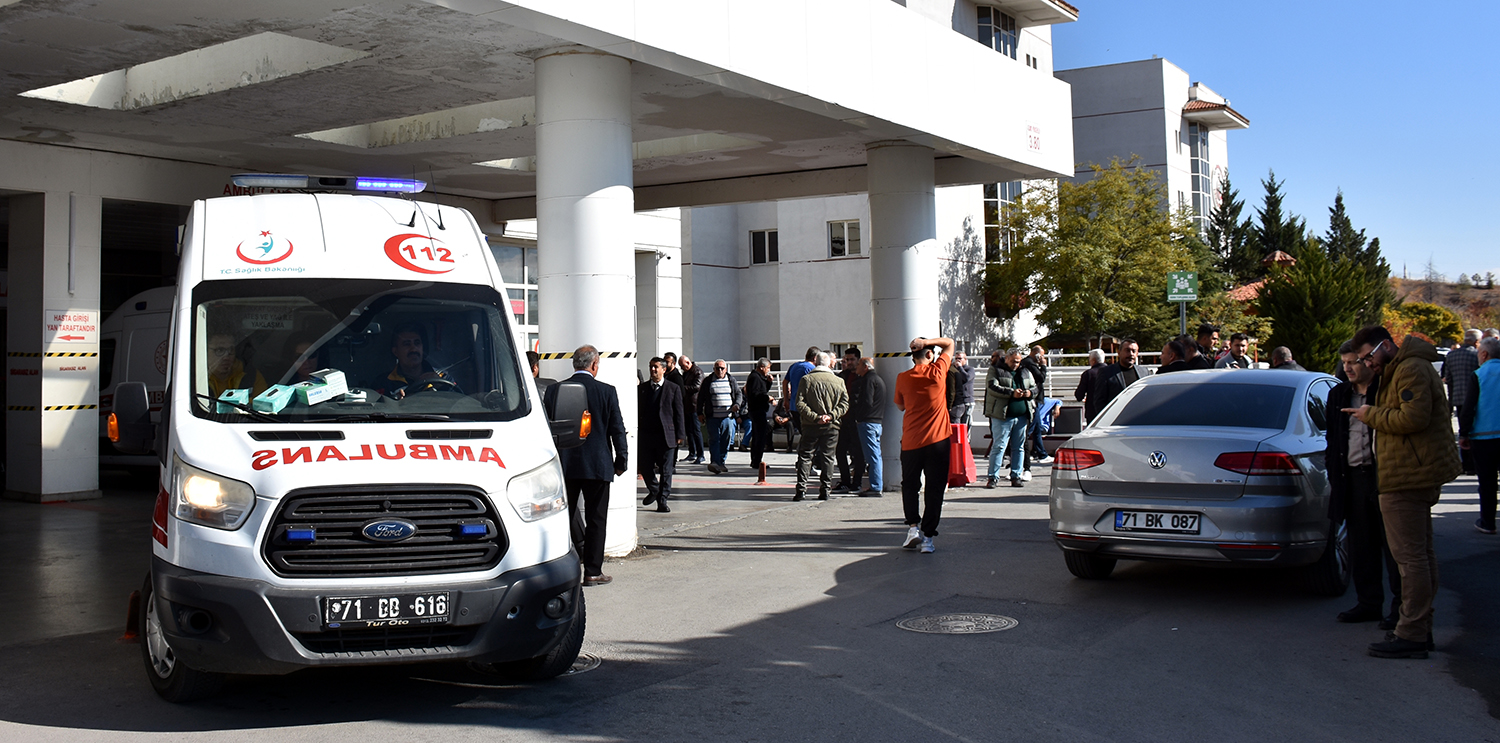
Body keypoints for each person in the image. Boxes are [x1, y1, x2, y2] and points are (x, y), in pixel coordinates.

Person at [1344, 325, 1463, 659]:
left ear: (1385, 346)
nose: (1367, 364)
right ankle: (1419, 628)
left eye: (1368, 357)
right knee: (1420, 557)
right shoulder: (1407, 366)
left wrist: (1371, 415)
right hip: (1410, 473)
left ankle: (1411, 632)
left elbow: (1413, 417)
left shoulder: (1410, 368)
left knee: (1410, 560)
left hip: (1406, 477)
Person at [1327, 340, 1401, 628]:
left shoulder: (1383, 391)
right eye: (1344, 362)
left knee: (1393, 547)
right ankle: (1369, 603)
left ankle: (1399, 611)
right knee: (1361, 544)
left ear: (1367, 362)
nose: (1348, 367)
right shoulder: (1339, 393)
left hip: (1383, 475)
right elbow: (1333, 439)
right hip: (1352, 476)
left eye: (1353, 362)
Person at [543, 345, 627, 587]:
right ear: (594, 365)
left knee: (562, 517)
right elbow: (616, 429)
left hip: (565, 466)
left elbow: (548, 429)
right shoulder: (606, 391)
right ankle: (592, 571)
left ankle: (560, 567)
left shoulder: (554, 390)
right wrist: (621, 461)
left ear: (574, 365)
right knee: (596, 519)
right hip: (598, 465)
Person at [893, 336, 955, 554]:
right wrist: (927, 341)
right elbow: (949, 343)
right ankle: (928, 538)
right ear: (929, 354)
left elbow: (900, 406)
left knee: (910, 486)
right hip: (938, 441)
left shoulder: (902, 378)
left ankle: (912, 528)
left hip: (911, 441)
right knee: (935, 489)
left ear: (912, 358)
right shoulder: (938, 372)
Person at [792, 351, 849, 501]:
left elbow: (800, 403)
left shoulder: (807, 379)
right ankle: (825, 490)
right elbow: (844, 404)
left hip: (811, 425)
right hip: (832, 425)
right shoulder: (839, 381)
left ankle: (801, 490)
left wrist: (815, 417)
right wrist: (831, 415)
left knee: (805, 456)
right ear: (829, 363)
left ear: (815, 362)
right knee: (828, 457)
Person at [1458, 336, 1500, 534]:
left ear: (1484, 354)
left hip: (1484, 436)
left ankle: (1488, 521)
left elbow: (1469, 407)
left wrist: (1463, 433)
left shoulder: (1479, 374)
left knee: (1487, 481)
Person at [638, 357, 685, 514]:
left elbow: (679, 412)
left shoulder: (673, 388)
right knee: (645, 466)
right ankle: (654, 489)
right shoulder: (643, 389)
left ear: (664, 369)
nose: (653, 370)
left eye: (656, 367)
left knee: (666, 470)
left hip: (666, 435)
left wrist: (680, 434)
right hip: (647, 435)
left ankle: (662, 500)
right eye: (651, 367)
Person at [984, 347, 1036, 488]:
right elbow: (992, 387)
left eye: (1018, 361)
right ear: (1006, 358)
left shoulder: (1025, 371)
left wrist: (1029, 393)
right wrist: (1011, 393)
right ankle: (993, 477)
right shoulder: (995, 370)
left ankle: (1016, 475)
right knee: (999, 446)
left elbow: (1035, 387)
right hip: (1002, 416)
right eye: (1013, 361)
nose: (1016, 364)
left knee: (1019, 447)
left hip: (1021, 415)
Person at [377, 324, 456, 399]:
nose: (414, 349)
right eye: (407, 344)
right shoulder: (384, 383)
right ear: (395, 352)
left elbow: (461, 403)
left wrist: (441, 387)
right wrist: (394, 403)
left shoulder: (443, 378)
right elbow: (375, 409)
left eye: (417, 343)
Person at [1444, 330, 1482, 476]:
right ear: (1476, 341)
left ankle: (1466, 464)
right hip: (1476, 399)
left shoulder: (1451, 355)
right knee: (1476, 431)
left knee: (1463, 431)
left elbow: (1448, 377)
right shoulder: (1476, 355)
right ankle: (1475, 462)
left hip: (1458, 398)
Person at [697, 359, 744, 473]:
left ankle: (722, 462)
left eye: (722, 368)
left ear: (726, 369)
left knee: (726, 440)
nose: (719, 370)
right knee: (714, 439)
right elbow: (701, 398)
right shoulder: (708, 381)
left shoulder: (731, 380)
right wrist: (699, 413)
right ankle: (715, 462)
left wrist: (737, 404)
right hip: (712, 416)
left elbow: (738, 394)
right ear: (713, 369)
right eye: (717, 368)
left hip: (728, 417)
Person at [851, 357, 886, 496]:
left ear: (865, 367)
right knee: (874, 454)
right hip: (876, 422)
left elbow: (867, 401)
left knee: (872, 456)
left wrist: (858, 416)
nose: (856, 367)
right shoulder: (877, 379)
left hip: (868, 422)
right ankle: (876, 484)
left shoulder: (869, 380)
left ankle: (876, 486)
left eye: (859, 364)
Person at [834, 347, 866, 492]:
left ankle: (857, 482)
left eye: (852, 359)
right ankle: (845, 480)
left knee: (858, 453)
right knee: (840, 451)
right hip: (843, 420)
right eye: (847, 360)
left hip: (856, 419)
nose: (849, 362)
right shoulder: (842, 376)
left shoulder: (863, 377)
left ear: (858, 360)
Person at [1092, 339, 1145, 414]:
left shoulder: (1144, 372)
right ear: (1119, 353)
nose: (1131, 354)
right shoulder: (1106, 372)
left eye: (1134, 351)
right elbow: (1099, 401)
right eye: (1127, 350)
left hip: (1139, 418)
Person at [207, 332, 268, 398]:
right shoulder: (196, 378)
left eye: (231, 350)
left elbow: (262, 406)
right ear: (205, 351)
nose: (226, 357)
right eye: (219, 350)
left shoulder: (252, 376)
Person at [782, 346, 820, 441]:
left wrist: (786, 400)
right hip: (806, 407)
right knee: (810, 436)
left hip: (794, 406)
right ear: (815, 358)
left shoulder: (794, 366)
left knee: (803, 434)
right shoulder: (812, 368)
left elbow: (785, 382)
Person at [744, 358, 775, 472]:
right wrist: (768, 398)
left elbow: (762, 390)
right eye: (768, 368)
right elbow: (757, 394)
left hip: (758, 409)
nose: (768, 371)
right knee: (760, 436)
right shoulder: (755, 377)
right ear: (762, 367)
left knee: (758, 435)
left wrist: (768, 383)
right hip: (757, 410)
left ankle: (756, 460)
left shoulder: (758, 377)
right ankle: (756, 460)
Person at [678, 355, 705, 464]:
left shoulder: (697, 372)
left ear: (688, 363)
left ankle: (700, 454)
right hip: (687, 405)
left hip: (694, 405)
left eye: (683, 366)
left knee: (696, 430)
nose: (682, 368)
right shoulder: (686, 373)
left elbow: (697, 387)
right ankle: (692, 452)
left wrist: (682, 388)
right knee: (689, 431)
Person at [1075, 349, 1107, 423]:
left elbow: (1079, 395)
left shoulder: (1088, 374)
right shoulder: (1112, 372)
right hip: (1109, 410)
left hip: (1092, 412)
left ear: (1093, 360)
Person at [954, 351, 976, 424]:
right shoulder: (954, 369)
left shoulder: (970, 369)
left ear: (965, 359)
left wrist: (960, 367)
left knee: (966, 424)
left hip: (967, 401)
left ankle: (967, 435)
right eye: (956, 358)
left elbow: (967, 378)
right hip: (958, 401)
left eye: (960, 358)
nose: (958, 360)